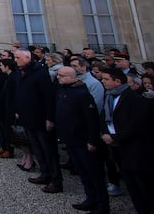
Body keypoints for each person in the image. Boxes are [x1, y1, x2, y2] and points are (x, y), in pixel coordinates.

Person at [54, 67, 109, 213]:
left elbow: (91, 119)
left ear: (72, 77)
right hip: (70, 138)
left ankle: (103, 206)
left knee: (94, 174)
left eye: (61, 75)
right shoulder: (64, 90)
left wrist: (92, 140)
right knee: (83, 172)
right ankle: (90, 199)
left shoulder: (82, 94)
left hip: (83, 139)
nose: (58, 77)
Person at [100, 67, 154, 213]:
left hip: (134, 148)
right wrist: (106, 134)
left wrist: (114, 137)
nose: (102, 81)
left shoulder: (135, 99)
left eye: (106, 79)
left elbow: (136, 125)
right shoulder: (109, 96)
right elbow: (105, 118)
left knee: (143, 185)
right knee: (131, 184)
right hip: (118, 148)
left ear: (117, 81)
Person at [12, 49, 62, 193]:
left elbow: (48, 96)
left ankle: (56, 180)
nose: (16, 60)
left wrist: (49, 118)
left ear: (27, 58)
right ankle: (45, 174)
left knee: (49, 150)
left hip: (40, 118)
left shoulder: (40, 72)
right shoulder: (20, 72)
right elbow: (19, 93)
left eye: (18, 58)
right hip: (27, 117)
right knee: (37, 149)